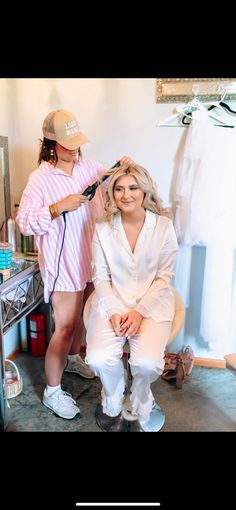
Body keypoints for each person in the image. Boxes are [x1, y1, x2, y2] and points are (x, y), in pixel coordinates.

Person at [16, 109, 133, 420]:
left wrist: (121, 170)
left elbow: (108, 184)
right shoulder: (39, 180)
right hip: (63, 265)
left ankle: (73, 359)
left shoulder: (88, 168)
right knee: (65, 326)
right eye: (68, 144)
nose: (75, 149)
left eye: (77, 143)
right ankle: (52, 392)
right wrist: (56, 208)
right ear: (52, 144)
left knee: (84, 317)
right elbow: (25, 223)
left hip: (91, 260)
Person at [85, 163, 179, 431]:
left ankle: (142, 396)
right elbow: (100, 277)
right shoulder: (103, 229)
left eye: (133, 188)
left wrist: (139, 312)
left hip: (151, 305)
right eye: (119, 189)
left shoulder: (163, 226)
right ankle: (113, 398)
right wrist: (115, 311)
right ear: (112, 194)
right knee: (98, 358)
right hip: (111, 302)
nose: (125, 195)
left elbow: (164, 277)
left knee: (147, 364)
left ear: (144, 190)